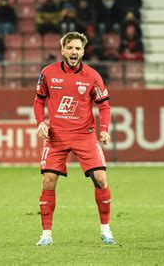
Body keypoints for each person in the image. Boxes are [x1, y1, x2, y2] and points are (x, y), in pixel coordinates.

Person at [33, 31, 115, 246]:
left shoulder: (93, 76)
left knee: (101, 179)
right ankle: (46, 235)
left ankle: (105, 229)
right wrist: (41, 122)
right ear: (62, 50)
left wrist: (104, 129)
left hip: (84, 136)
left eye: (78, 48)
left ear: (83, 51)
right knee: (48, 181)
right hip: (57, 136)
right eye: (70, 48)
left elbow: (103, 104)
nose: (74, 51)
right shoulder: (48, 73)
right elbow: (38, 100)